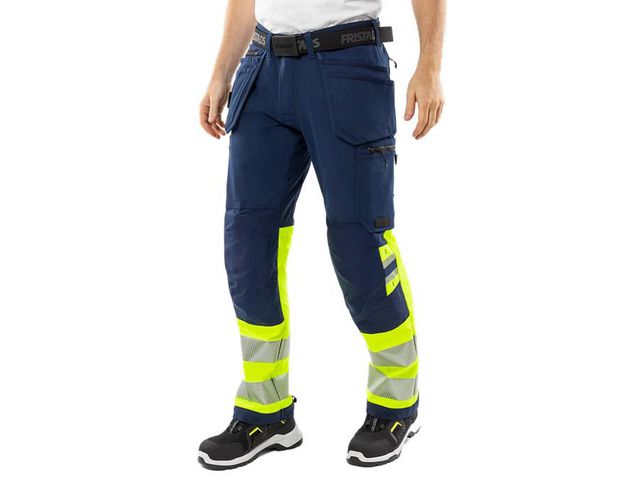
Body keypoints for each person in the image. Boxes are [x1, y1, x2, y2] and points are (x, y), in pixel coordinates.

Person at [197, 0, 445, 469]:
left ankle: (396, 404)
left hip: (348, 65)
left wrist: (429, 66)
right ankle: (265, 411)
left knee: (360, 245)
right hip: (262, 67)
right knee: (249, 245)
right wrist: (221, 72)